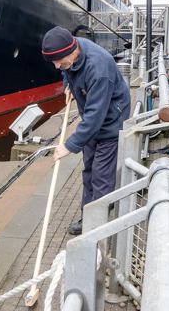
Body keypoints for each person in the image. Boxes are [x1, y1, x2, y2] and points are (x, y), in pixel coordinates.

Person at [42, 26, 131, 235]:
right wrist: (68, 84)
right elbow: (67, 69)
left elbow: (95, 116)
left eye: (60, 62)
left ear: (71, 50)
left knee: (101, 176)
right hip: (93, 120)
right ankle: (87, 217)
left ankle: (96, 229)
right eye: (54, 62)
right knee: (89, 171)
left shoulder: (97, 68)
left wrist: (69, 145)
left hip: (110, 121)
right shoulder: (69, 51)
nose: (57, 66)